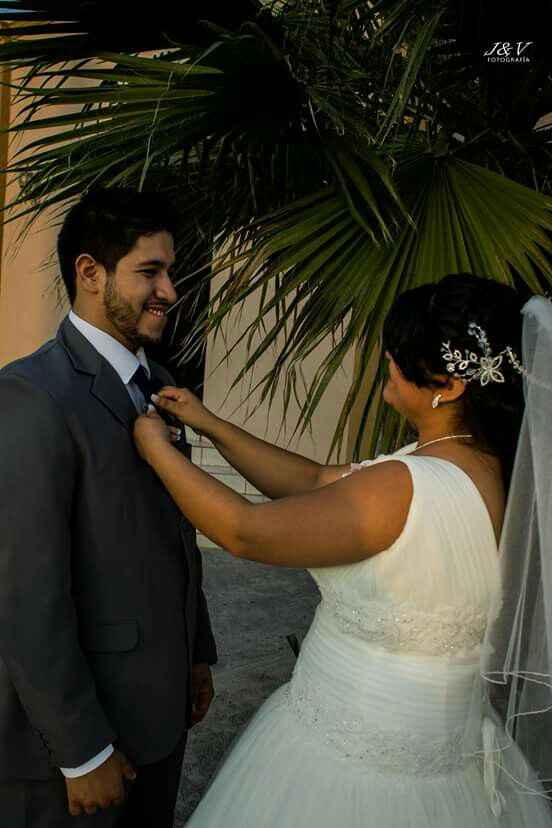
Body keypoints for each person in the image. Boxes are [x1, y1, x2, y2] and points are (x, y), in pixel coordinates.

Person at [134, 272, 552, 827]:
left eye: (398, 352)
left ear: (449, 386)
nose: (386, 357)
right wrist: (209, 424)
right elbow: (311, 481)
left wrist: (157, 452)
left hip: (345, 765)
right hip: (452, 769)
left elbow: (245, 531)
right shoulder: (493, 470)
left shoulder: (406, 484)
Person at [0, 188, 217, 827]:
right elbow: (25, 595)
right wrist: (80, 749)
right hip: (85, 739)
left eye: (170, 272)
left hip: (161, 709)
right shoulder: (31, 396)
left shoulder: (158, 380)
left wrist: (196, 650)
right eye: (149, 271)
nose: (169, 291)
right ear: (90, 273)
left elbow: (172, 532)